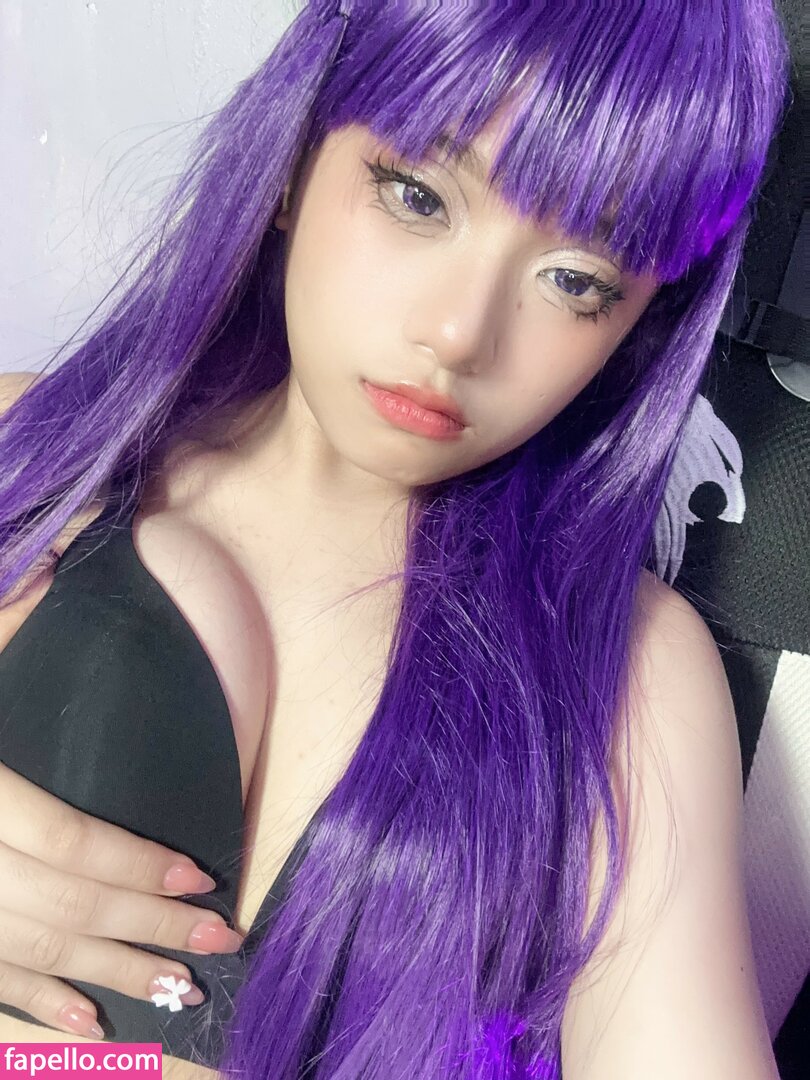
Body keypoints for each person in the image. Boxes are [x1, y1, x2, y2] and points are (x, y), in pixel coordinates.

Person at [0, 0, 793, 1077]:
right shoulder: (30, 458)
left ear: (637, 323)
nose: (459, 333)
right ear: (295, 158)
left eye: (576, 280)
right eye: (419, 195)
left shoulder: (627, 678)